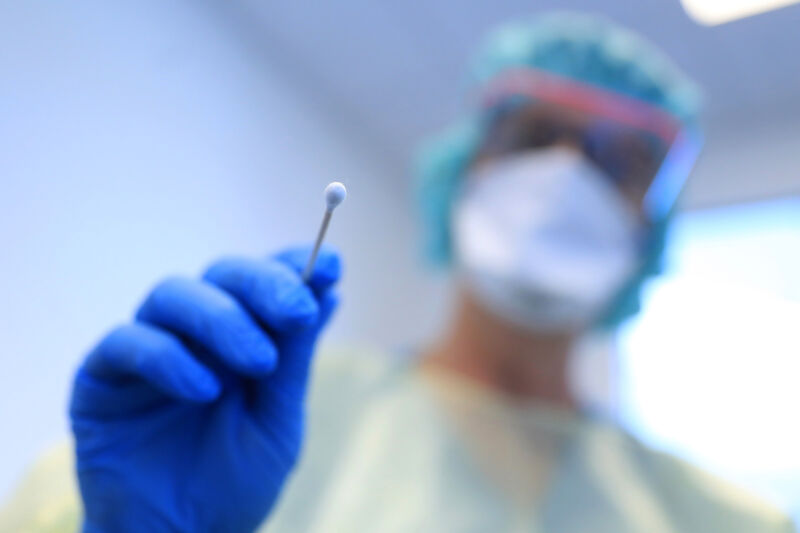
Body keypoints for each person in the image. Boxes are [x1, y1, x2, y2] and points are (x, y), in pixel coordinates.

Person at [0, 12, 794, 533]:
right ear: (461, 171)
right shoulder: (248, 422)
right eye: (533, 136)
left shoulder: (718, 519)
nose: (566, 177)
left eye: (620, 161)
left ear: (650, 231)